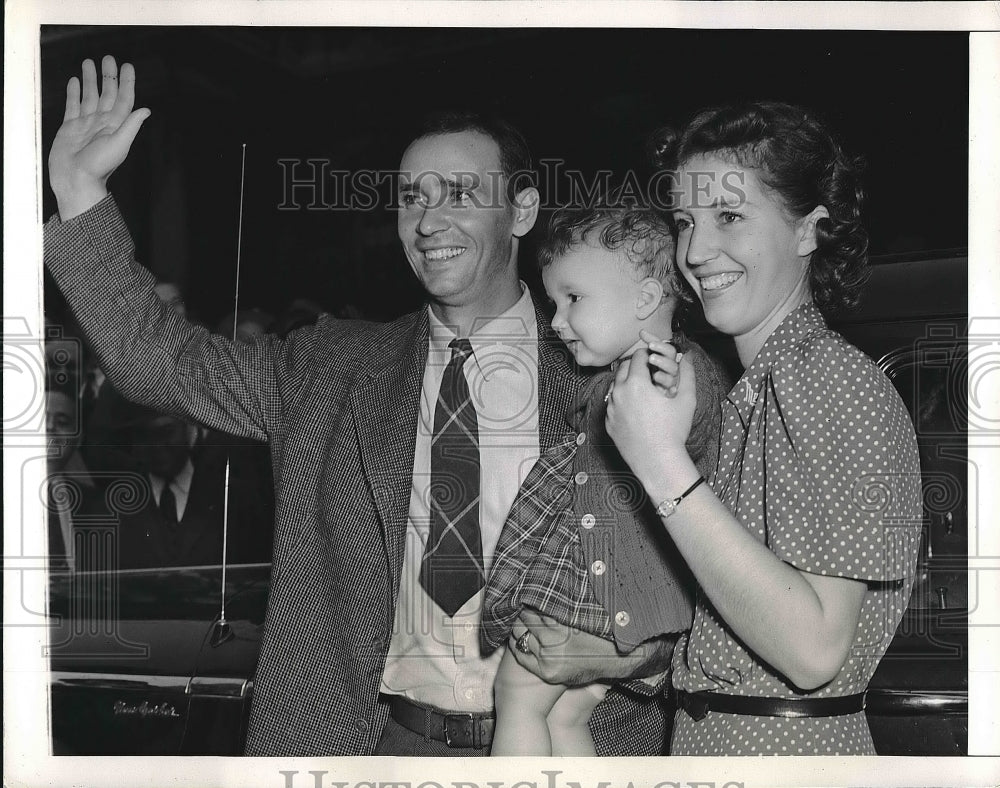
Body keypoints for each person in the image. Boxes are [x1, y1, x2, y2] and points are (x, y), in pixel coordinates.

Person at [44, 56, 674, 756]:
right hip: (383, 747)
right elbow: (161, 362)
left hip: (574, 749)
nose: (428, 221)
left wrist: (633, 655)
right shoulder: (329, 368)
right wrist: (80, 190)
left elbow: (698, 577)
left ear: (521, 209)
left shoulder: (619, 378)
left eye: (460, 193)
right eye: (411, 198)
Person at [605, 101, 922, 755]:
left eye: (729, 216)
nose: (694, 250)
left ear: (807, 230)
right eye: (686, 221)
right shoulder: (761, 388)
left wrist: (662, 463)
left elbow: (812, 651)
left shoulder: (829, 380)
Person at [480, 200, 728, 755]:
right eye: (553, 302)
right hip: (611, 578)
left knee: (516, 692)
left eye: (574, 299)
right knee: (565, 715)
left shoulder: (668, 372)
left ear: (644, 299)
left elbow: (697, 430)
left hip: (606, 581)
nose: (557, 321)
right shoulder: (622, 373)